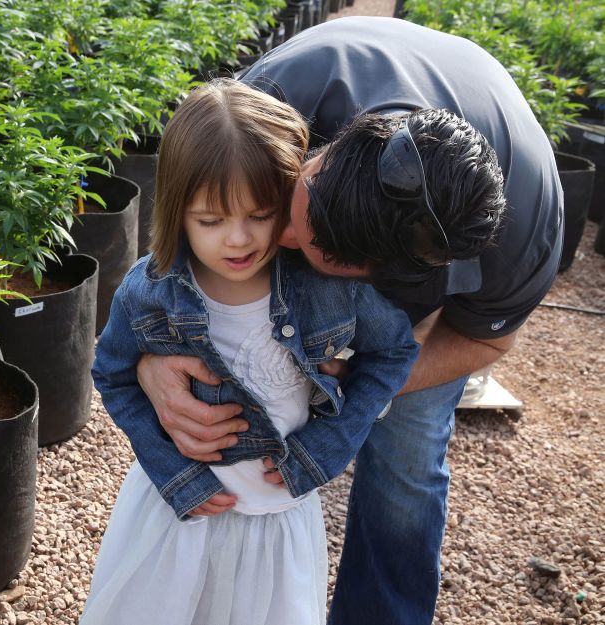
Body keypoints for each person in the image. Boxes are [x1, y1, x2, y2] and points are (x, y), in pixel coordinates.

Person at [136, 16, 563, 625]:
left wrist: (354, 389)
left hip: (450, 247)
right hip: (343, 77)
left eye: (300, 245)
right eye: (290, 200)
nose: (271, 237)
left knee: (405, 462)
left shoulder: (523, 238)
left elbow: (481, 341)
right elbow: (185, 218)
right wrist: (153, 358)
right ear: (328, 150)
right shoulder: (283, 95)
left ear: (373, 275)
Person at [81, 78, 419, 625]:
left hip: (278, 520)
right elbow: (113, 374)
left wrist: (329, 446)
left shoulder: (330, 285)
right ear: (175, 211)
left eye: (260, 214)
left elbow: (393, 352)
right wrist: (173, 471)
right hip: (178, 517)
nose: (238, 239)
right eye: (210, 221)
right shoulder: (149, 290)